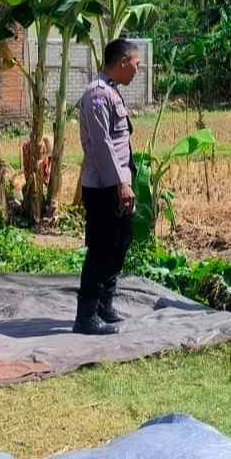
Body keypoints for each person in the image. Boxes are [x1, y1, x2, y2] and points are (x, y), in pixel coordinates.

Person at [75, 38, 141, 335]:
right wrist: (119, 184)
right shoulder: (97, 96)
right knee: (101, 249)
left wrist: (126, 181)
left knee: (120, 242)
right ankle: (86, 316)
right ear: (123, 61)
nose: (138, 70)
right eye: (137, 64)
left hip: (117, 183)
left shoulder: (112, 92)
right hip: (104, 186)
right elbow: (102, 146)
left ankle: (105, 303)